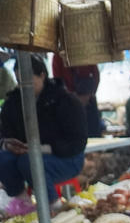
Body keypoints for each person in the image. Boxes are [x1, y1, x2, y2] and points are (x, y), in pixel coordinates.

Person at [0, 56, 86, 200]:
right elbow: (4, 131)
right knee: (4, 158)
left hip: (67, 158)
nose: (23, 86)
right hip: (27, 155)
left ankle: (52, 206)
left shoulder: (66, 101)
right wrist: (7, 144)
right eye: (20, 82)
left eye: (28, 81)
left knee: (29, 161)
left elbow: (76, 143)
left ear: (42, 75)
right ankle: (22, 203)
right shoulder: (12, 103)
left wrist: (42, 148)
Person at [52, 56, 103, 137]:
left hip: (87, 100)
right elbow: (58, 81)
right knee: (76, 135)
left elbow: (96, 75)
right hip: (71, 103)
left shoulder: (85, 51)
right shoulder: (58, 56)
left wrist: (89, 95)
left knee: (92, 133)